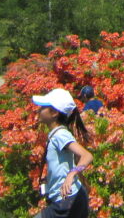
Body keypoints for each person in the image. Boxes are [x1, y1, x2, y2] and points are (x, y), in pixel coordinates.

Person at [32, 88, 94, 218]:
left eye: (43, 107)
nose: (38, 110)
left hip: (68, 201)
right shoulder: (56, 134)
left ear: (54, 112)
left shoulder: (60, 134)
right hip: (71, 199)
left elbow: (87, 156)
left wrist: (71, 174)